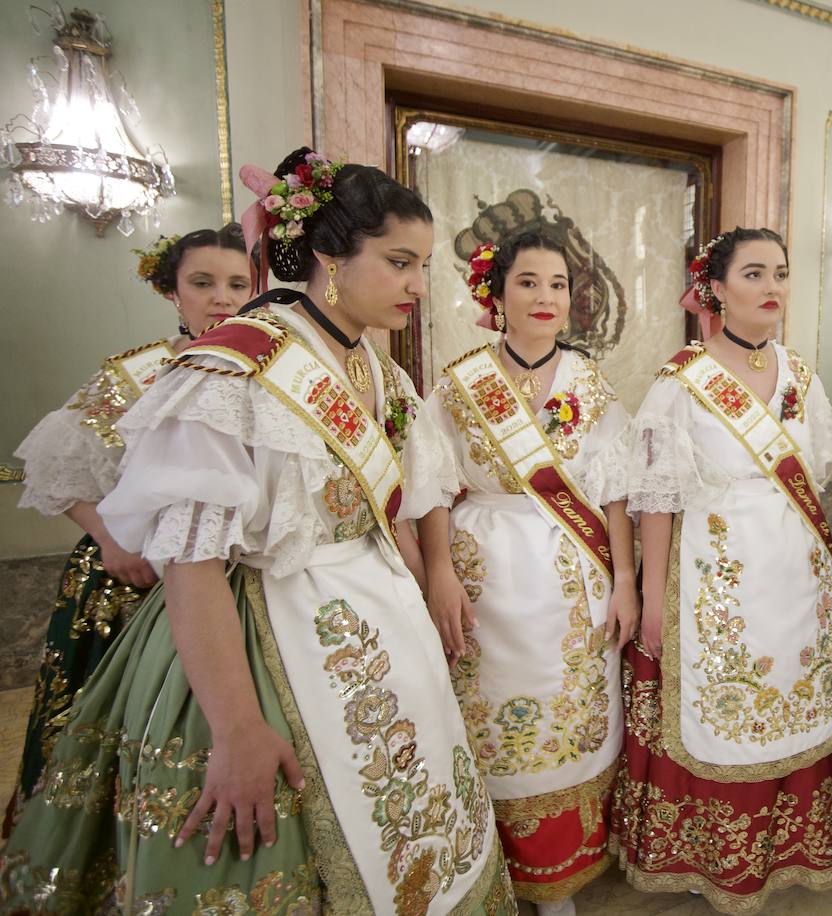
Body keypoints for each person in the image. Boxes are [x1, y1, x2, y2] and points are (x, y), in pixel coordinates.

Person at [0, 148, 515, 913]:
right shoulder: (229, 374)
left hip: (377, 632)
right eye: (400, 262)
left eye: (422, 264)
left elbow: (400, 503)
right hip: (267, 642)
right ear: (331, 256)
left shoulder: (378, 369)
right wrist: (238, 728)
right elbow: (194, 565)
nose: (416, 285)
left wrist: (426, 580)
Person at [614, 227, 832, 912]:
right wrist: (652, 597)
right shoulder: (681, 382)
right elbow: (656, 501)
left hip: (796, 570)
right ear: (714, 288)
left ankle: (790, 849)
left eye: (780, 272)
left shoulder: (801, 375)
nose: (772, 287)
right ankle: (714, 858)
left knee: (795, 696)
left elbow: (819, 474)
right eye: (753, 274)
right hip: (717, 571)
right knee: (724, 707)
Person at [419, 232, 637, 915]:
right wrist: (438, 574)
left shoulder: (592, 382)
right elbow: (428, 484)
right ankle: (496, 867)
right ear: (497, 293)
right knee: (494, 727)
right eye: (529, 282)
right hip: (486, 572)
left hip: (575, 575)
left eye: (559, 284)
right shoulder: (459, 382)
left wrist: (626, 579)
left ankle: (562, 877)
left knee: (570, 716)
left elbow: (616, 489)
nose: (546, 297)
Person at [5, 225, 251, 830]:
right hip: (132, 580)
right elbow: (52, 462)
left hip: (226, 580)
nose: (222, 297)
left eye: (238, 284)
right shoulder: (141, 373)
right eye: (203, 282)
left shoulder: (259, 372)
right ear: (173, 291)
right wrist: (111, 541)